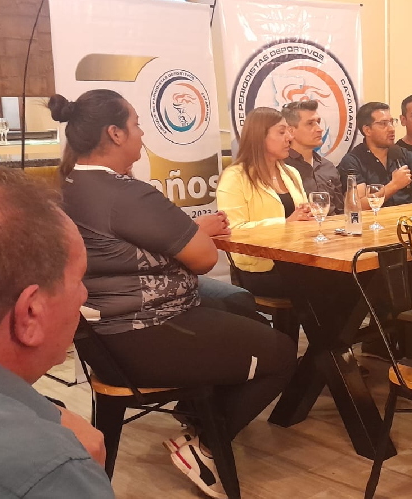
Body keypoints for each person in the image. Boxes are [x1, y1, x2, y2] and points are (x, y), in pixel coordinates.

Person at [51, 90, 297, 499]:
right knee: (283, 353)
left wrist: (189, 235)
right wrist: (196, 235)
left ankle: (198, 413)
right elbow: (203, 259)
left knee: (240, 306)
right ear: (115, 134)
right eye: (135, 125)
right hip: (143, 333)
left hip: (103, 338)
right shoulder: (124, 194)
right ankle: (203, 444)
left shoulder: (71, 184)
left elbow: (140, 245)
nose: (141, 134)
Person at [0, 167, 114, 498]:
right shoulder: (50, 472)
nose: (84, 295)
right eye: (78, 279)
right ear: (31, 313)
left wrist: (42, 415)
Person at [216, 107, 313, 305]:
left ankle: (326, 326)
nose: (289, 138)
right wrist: (285, 224)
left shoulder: (291, 173)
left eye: (288, 131)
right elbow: (233, 231)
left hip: (297, 260)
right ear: (259, 137)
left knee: (351, 278)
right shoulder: (235, 177)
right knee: (323, 285)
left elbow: (301, 218)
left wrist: (307, 217)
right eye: (281, 132)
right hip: (259, 269)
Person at [281, 100, 344, 215]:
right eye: (310, 124)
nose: (319, 129)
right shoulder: (281, 168)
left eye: (318, 122)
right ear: (291, 131)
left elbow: (341, 212)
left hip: (333, 225)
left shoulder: (328, 166)